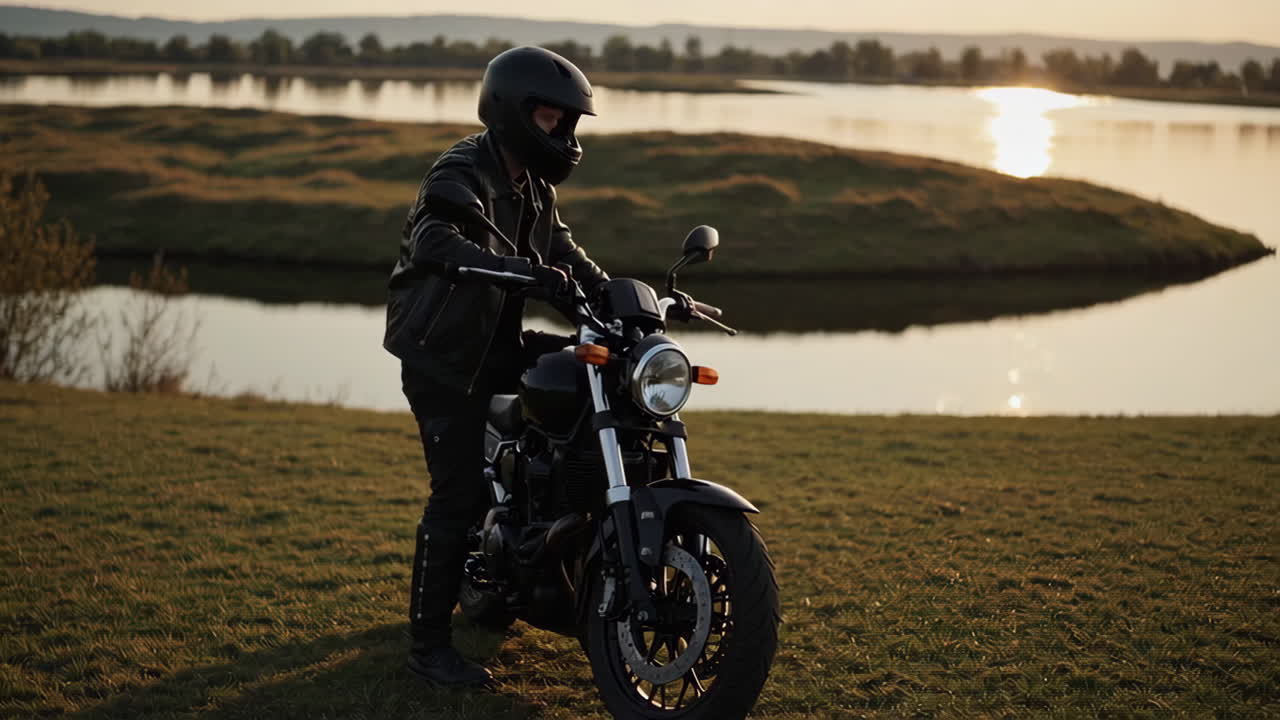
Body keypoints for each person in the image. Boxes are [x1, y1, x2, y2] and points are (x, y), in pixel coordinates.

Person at [382, 46, 609, 687]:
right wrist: (529, 275)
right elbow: (437, 240)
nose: (562, 135)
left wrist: (619, 295)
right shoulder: (461, 170)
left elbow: (560, 249)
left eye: (569, 123)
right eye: (549, 120)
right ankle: (428, 650)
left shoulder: (530, 183)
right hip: (444, 356)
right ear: (510, 113)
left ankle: (545, 539)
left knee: (584, 379)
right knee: (457, 497)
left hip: (496, 340)